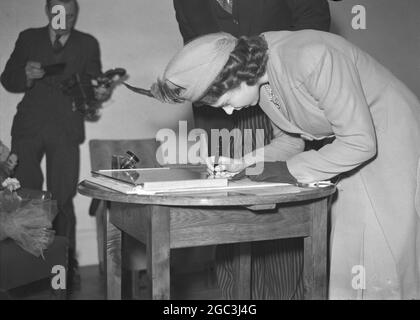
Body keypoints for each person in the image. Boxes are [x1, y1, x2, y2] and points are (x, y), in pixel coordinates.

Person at [151, 31, 420, 299]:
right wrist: (245, 163)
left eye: (225, 102)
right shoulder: (262, 78)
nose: (229, 111)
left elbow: (361, 142)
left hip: (391, 134)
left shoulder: (309, 57)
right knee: (349, 249)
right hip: (351, 145)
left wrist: (288, 171)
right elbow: (292, 142)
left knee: (380, 249)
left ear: (236, 76)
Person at [172, 0, 331, 300]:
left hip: (280, 93)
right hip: (224, 112)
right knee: (231, 216)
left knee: (279, 216)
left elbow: (314, 27)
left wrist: (288, 90)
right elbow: (196, 54)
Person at [1, 0, 111, 288]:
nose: (67, 19)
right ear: (49, 12)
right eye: (61, 14)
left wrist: (99, 91)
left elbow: (91, 89)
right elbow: (8, 79)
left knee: (62, 199)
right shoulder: (28, 37)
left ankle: (64, 267)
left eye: (72, 15)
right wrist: (24, 73)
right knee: (24, 197)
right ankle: (28, 269)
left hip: (65, 129)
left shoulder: (87, 44)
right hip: (29, 127)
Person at [173, 0, 331, 157]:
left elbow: (314, 21)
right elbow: (197, 54)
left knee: (297, 166)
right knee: (238, 173)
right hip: (224, 115)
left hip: (287, 92)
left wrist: (281, 78)